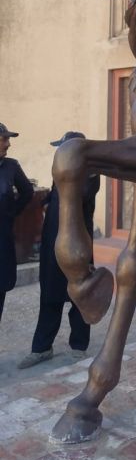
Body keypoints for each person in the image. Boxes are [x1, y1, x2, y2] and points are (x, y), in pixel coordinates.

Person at [18, 132, 100, 368]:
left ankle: (78, 346)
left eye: (63, 150)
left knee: (79, 296)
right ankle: (41, 348)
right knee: (49, 297)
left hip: (78, 248)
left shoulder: (90, 176)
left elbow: (83, 196)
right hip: (53, 248)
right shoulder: (61, 174)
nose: (59, 154)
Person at [0, 123, 34, 321]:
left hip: (2, 242)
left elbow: (27, 192)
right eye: (4, 139)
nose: (8, 143)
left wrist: (11, 213)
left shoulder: (11, 166)